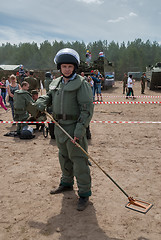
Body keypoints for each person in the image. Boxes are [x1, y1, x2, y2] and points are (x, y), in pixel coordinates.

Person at [35, 48, 94, 211]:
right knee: (64, 157)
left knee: (79, 161)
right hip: (59, 127)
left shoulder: (81, 84)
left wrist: (79, 131)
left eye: (69, 66)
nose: (67, 69)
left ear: (74, 67)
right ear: (59, 67)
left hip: (74, 128)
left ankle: (84, 194)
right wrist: (41, 101)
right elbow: (49, 97)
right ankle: (67, 183)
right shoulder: (56, 83)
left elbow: (87, 110)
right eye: (64, 66)